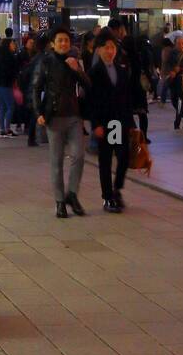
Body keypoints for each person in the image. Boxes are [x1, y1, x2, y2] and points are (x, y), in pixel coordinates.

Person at [32, 25, 90, 217]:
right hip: (54, 117)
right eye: (60, 40)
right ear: (53, 44)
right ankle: (59, 202)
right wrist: (38, 112)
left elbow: (88, 86)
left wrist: (78, 71)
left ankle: (72, 194)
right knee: (56, 161)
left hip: (74, 116)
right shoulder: (46, 62)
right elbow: (35, 88)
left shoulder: (74, 61)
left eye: (66, 40)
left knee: (79, 156)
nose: (64, 43)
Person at [88, 31, 134, 212]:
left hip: (119, 122)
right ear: (98, 50)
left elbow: (127, 98)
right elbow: (90, 101)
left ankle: (117, 188)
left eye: (113, 47)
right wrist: (95, 124)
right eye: (106, 47)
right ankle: (107, 197)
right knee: (106, 160)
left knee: (123, 156)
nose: (110, 51)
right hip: (104, 122)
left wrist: (130, 122)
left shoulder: (121, 70)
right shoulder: (94, 72)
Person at [0, 36, 18, 137]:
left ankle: (3, 129)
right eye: (13, 44)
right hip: (5, 84)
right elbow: (11, 72)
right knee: (10, 106)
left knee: (3, 107)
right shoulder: (9, 57)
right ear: (8, 45)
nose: (15, 45)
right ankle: (7, 128)